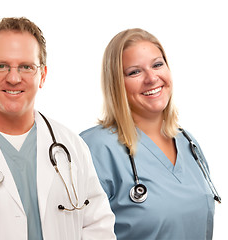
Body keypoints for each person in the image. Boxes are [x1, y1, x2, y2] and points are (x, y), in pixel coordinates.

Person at [0, 17, 116, 239]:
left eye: (26, 67)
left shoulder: (72, 148)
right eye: (1, 66)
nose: (13, 78)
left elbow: (98, 227)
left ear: (42, 75)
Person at [80, 28, 219, 240]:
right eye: (135, 72)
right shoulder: (95, 148)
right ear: (117, 83)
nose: (152, 78)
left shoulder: (188, 143)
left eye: (157, 65)